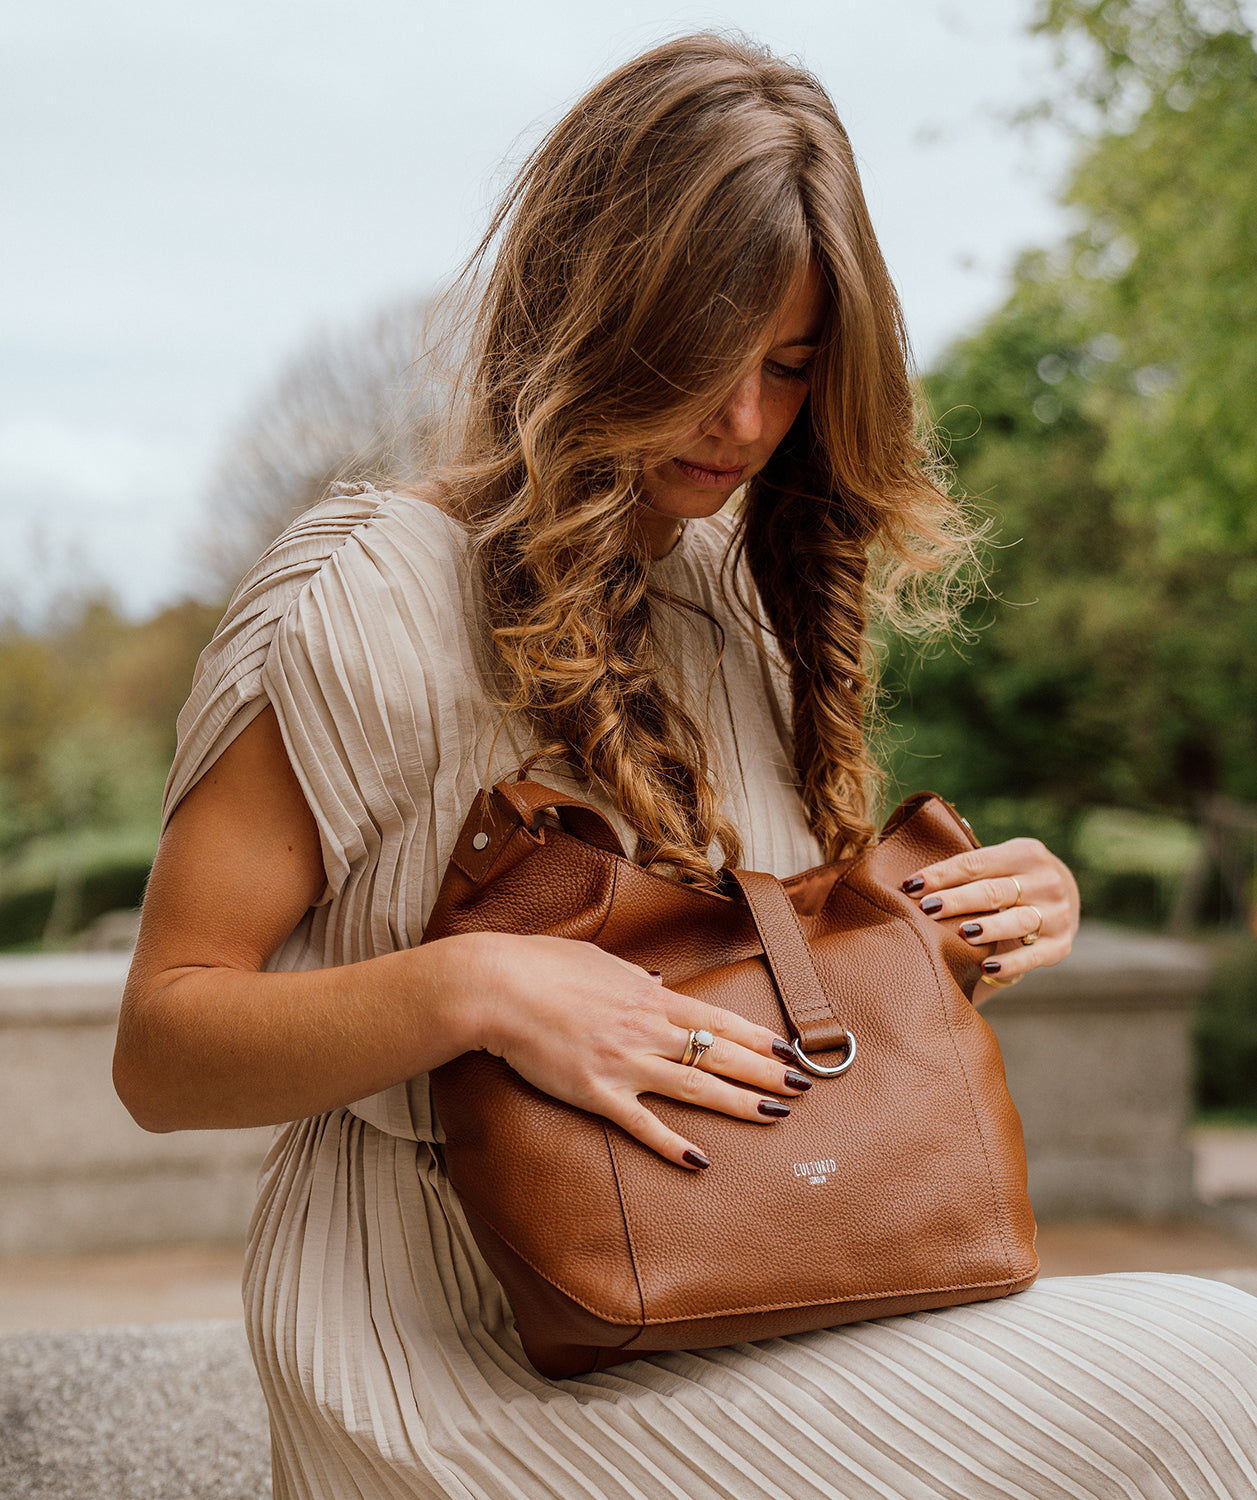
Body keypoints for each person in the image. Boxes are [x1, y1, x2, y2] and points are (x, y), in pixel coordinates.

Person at [115, 33, 1257, 1500]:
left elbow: (748, 984)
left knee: (1217, 1367)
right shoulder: (366, 592)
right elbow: (161, 1046)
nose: (743, 423)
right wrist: (472, 989)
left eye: (789, 370)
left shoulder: (732, 599)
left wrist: (973, 918)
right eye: (702, 360)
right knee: (1209, 1386)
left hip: (759, 1279)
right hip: (450, 1344)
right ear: (591, 314)